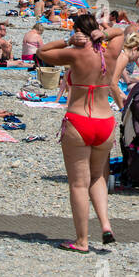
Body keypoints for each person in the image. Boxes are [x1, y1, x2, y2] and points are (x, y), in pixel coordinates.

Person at [35, 13, 126, 251]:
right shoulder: (111, 52)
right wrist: (104, 34)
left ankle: (82, 240)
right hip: (105, 122)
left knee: (78, 183)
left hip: (79, 121)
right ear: (95, 29)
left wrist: (68, 41)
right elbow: (123, 31)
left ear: (78, 31)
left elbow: (42, 52)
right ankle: (105, 225)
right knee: (98, 177)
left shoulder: (74, 53)